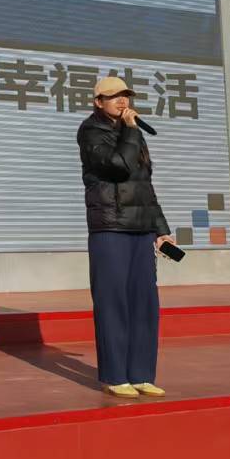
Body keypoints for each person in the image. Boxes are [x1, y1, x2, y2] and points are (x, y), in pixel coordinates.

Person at [77, 76, 179, 398]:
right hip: (110, 228)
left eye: (126, 95)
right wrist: (132, 131)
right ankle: (115, 375)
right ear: (98, 102)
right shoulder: (91, 131)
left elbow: (144, 187)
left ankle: (141, 374)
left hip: (141, 229)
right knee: (113, 303)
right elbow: (118, 166)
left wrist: (161, 230)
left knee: (144, 303)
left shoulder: (132, 133)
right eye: (114, 96)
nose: (122, 101)